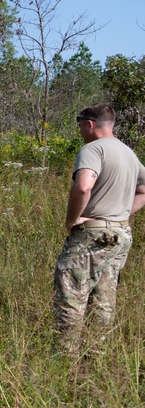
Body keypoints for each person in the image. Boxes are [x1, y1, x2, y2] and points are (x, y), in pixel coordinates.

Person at [53, 104, 145, 356]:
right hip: (120, 235)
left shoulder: (93, 149)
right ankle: (95, 357)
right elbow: (143, 190)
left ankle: (65, 359)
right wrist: (121, 214)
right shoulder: (128, 153)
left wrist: (72, 220)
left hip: (92, 235)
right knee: (104, 298)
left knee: (71, 295)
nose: (81, 130)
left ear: (89, 124)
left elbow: (83, 186)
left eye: (81, 124)